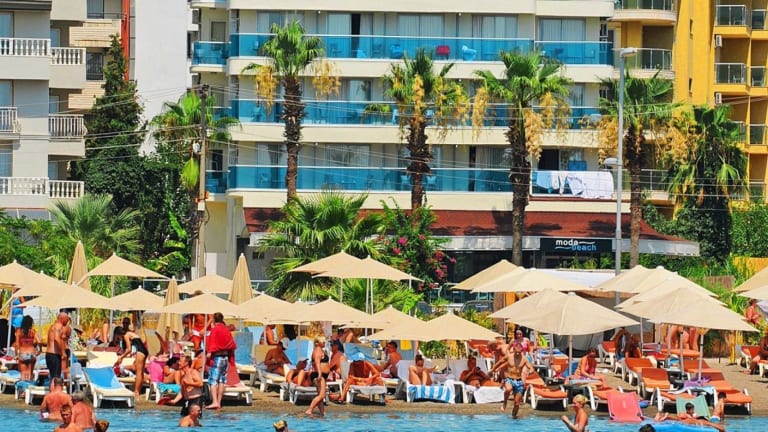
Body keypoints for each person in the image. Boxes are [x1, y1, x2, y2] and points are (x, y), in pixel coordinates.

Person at [205, 312, 236, 410]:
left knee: (213, 380)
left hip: (217, 357)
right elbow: (231, 344)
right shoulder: (226, 330)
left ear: (214, 320)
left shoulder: (215, 330)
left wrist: (209, 353)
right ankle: (219, 402)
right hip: (225, 357)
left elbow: (212, 343)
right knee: (222, 380)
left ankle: (214, 402)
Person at [501, 342, 532, 418]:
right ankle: (505, 403)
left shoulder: (524, 359)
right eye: (516, 352)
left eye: (519, 352)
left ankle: (513, 417)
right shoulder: (509, 356)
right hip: (510, 379)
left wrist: (531, 371)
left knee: (517, 403)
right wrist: (493, 369)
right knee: (508, 389)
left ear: (522, 351)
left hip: (519, 381)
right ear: (514, 350)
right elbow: (501, 362)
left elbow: (531, 368)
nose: (518, 353)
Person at [116, 325, 148, 398]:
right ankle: (138, 391)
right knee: (141, 373)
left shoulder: (126, 335)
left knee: (138, 373)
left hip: (140, 352)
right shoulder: (130, 333)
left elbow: (129, 349)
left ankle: (136, 392)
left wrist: (121, 357)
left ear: (119, 334)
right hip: (144, 351)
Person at [304, 337, 330, 417]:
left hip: (321, 374)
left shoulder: (321, 350)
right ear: (317, 343)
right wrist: (319, 374)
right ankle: (309, 410)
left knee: (320, 395)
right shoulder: (318, 350)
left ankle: (322, 413)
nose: (324, 342)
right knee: (322, 395)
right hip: (318, 374)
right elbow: (317, 362)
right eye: (322, 341)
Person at [13, 315, 39, 381]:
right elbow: (39, 341)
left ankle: (23, 385)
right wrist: (40, 350)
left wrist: (16, 354)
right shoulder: (33, 331)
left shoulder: (19, 331)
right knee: (30, 372)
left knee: (23, 373)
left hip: (23, 353)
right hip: (32, 353)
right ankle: (29, 384)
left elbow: (17, 344)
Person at [45, 312, 70, 381]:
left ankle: (53, 387)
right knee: (56, 378)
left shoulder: (53, 326)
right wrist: (63, 352)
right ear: (62, 318)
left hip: (50, 354)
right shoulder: (58, 326)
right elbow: (57, 339)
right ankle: (55, 388)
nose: (68, 321)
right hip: (54, 355)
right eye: (67, 319)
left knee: (54, 377)